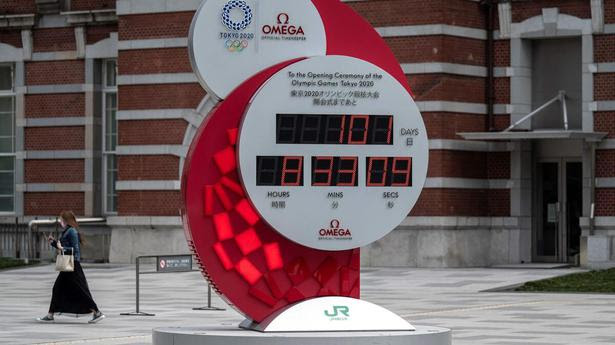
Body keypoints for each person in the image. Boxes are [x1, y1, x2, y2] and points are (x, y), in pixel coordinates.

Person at [37, 211, 105, 323]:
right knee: (58, 288)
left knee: (80, 290)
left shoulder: (71, 231)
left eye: (61, 219)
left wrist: (61, 247)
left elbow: (75, 250)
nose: (60, 221)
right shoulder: (67, 231)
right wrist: (53, 243)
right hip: (68, 265)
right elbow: (64, 247)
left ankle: (97, 312)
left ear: (65, 220)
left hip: (73, 265)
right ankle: (50, 315)